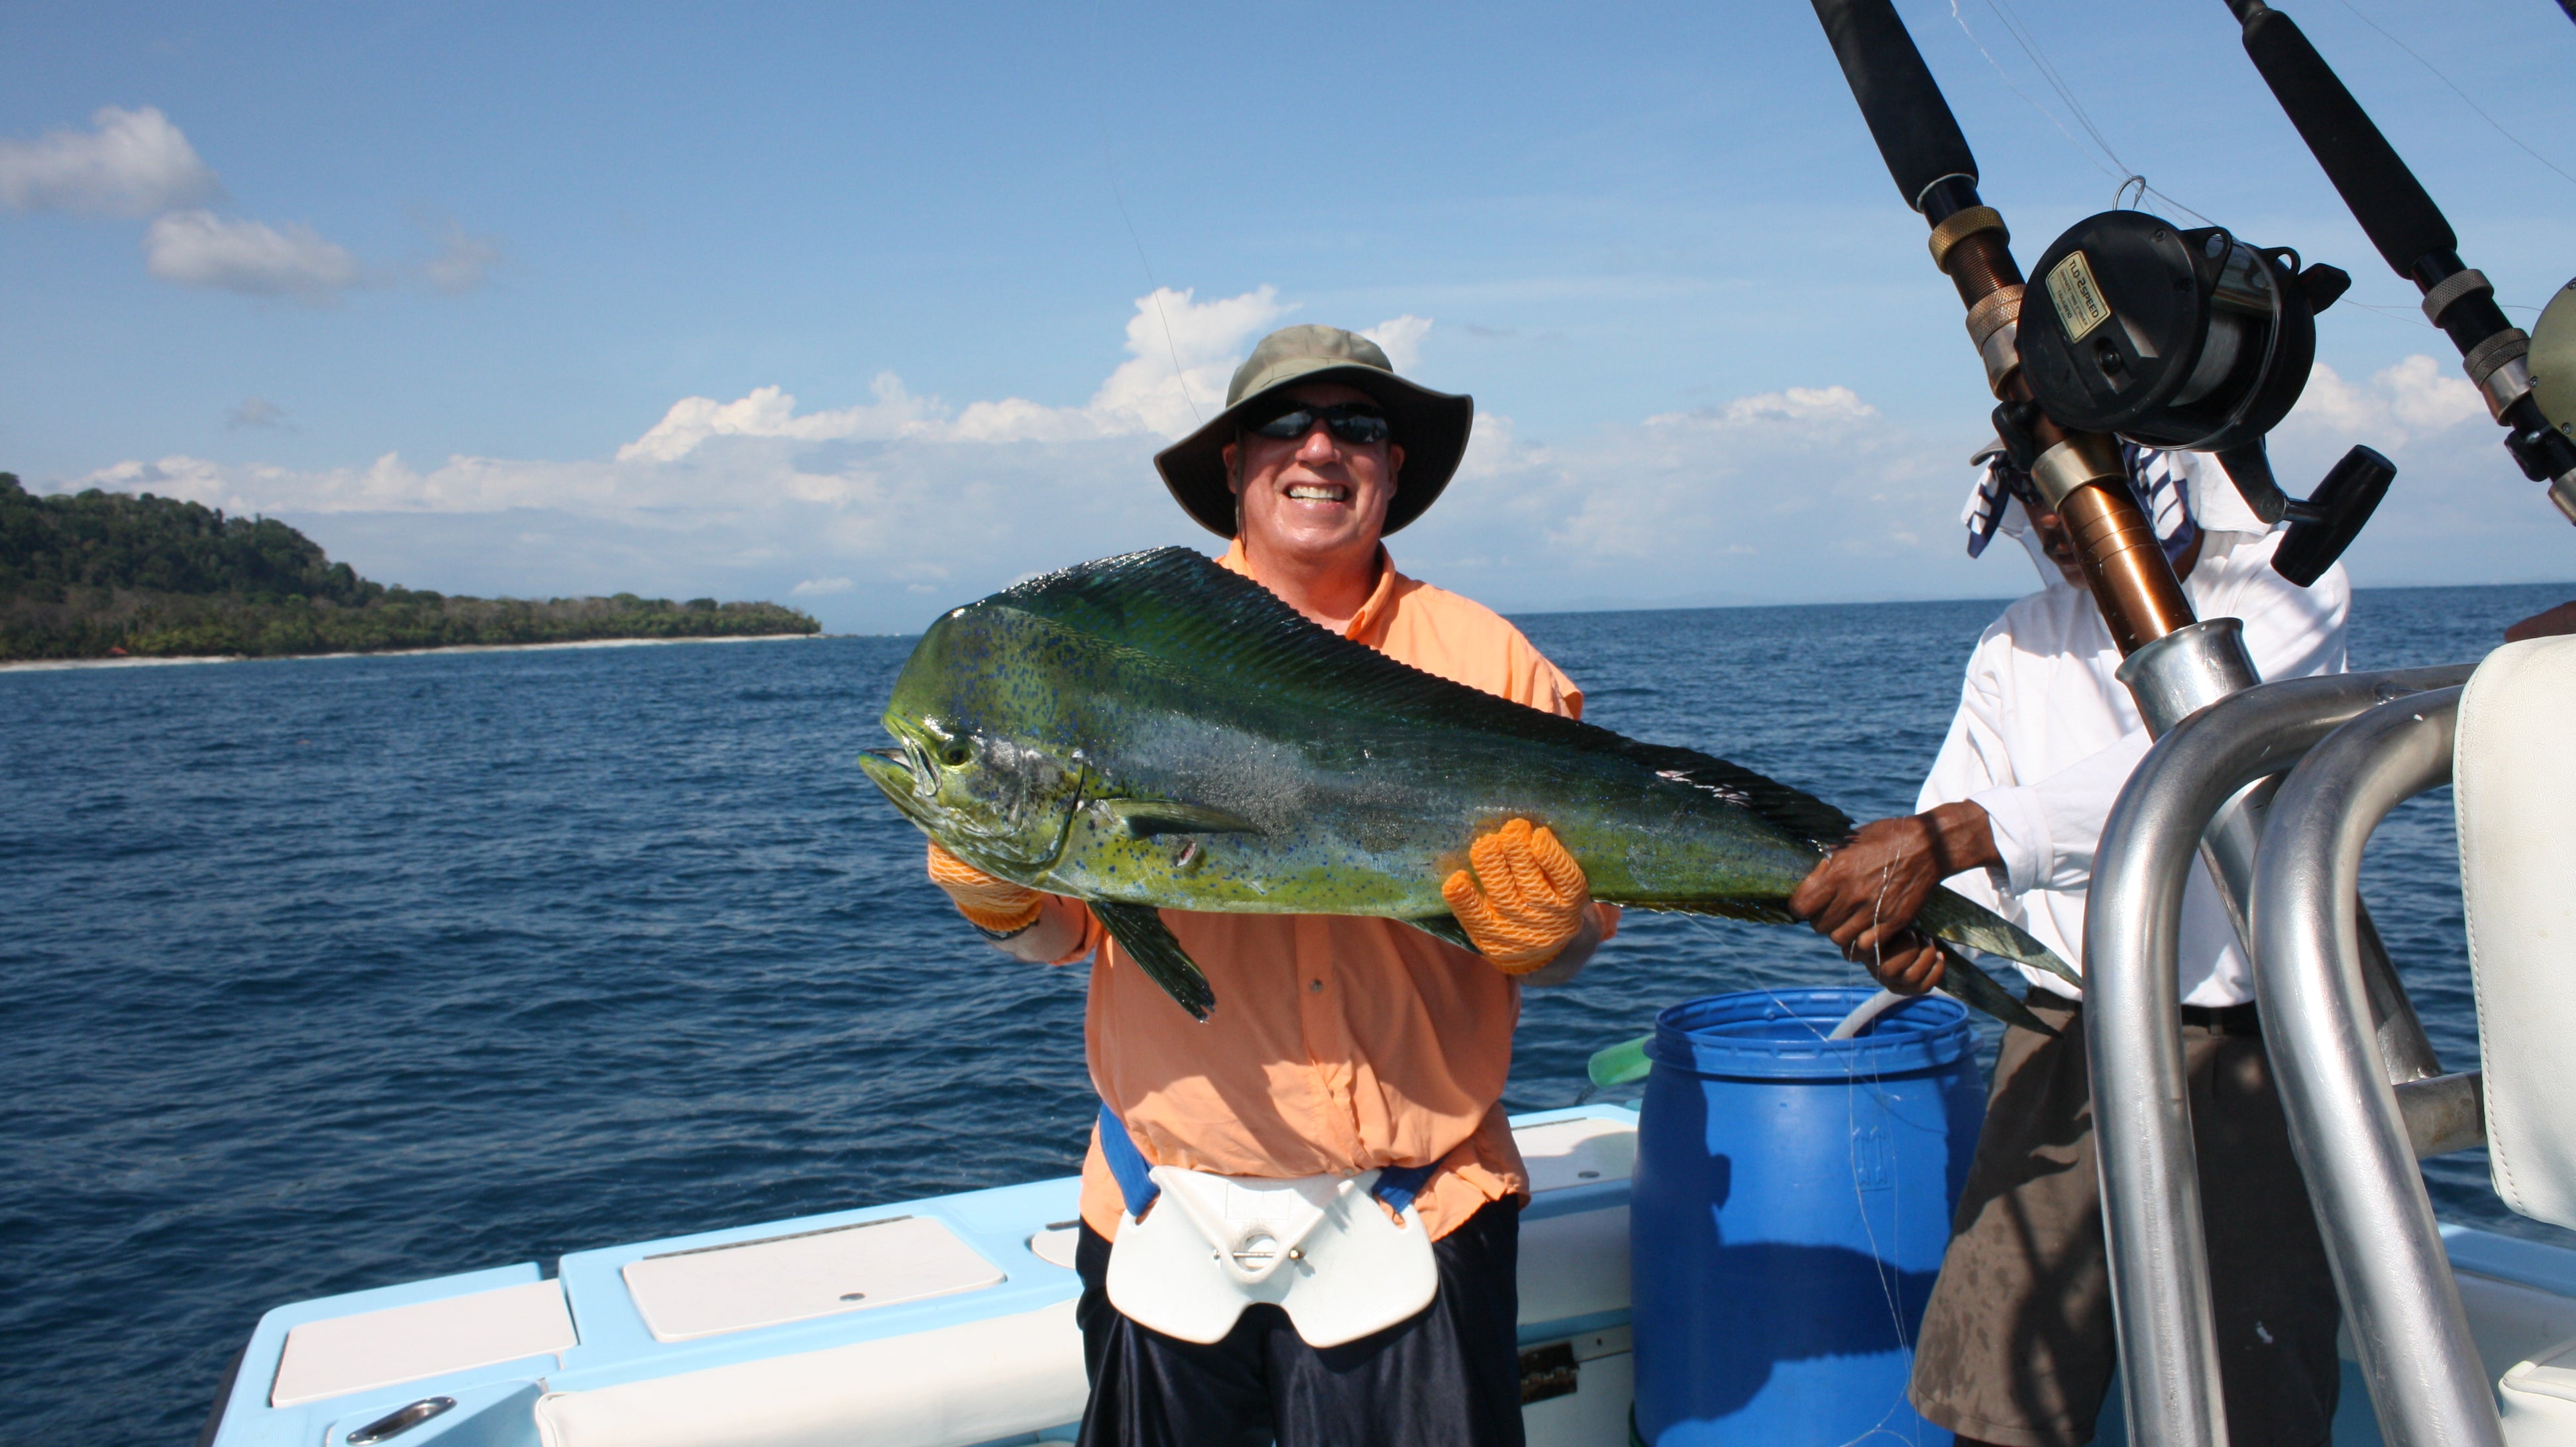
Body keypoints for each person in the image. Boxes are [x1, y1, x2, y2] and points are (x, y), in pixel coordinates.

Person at [919, 325, 1616, 1447]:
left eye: (1360, 427)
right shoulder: (1112, 663)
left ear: (1394, 469)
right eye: (1286, 423)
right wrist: (997, 899)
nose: (1322, 447)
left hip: (1420, 1212)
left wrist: (1555, 936)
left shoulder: (1492, 661)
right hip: (1164, 1214)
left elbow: (1583, 934)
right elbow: (1060, 936)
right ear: (1236, 466)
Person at [1789, 445, 2351, 1447]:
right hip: (2063, 1032)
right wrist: (1902, 929)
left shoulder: (2284, 589)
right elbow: (1942, 831)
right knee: (1993, 1393)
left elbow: (2208, 751)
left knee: (2260, 1405)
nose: (2057, 521)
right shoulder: (2016, 642)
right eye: (2038, 497)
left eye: (2082, 487)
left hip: (2257, 1049)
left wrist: (1960, 839)